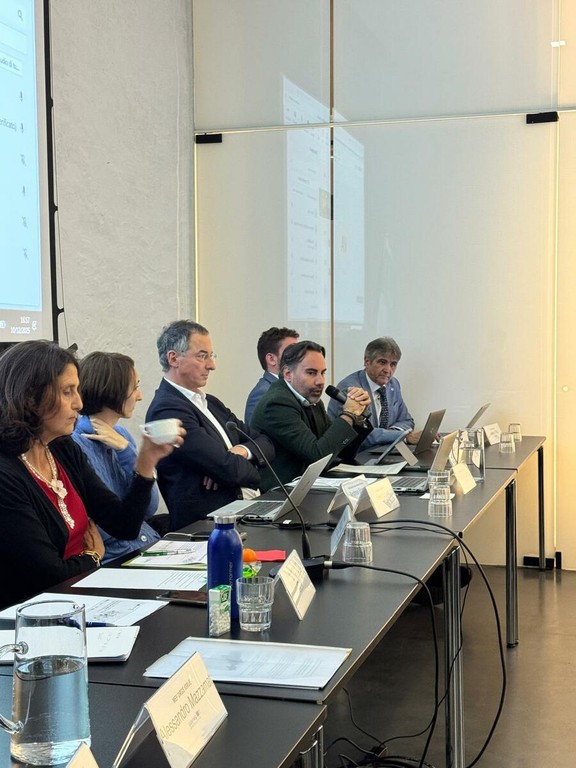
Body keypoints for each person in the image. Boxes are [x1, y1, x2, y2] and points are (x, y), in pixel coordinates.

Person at [0, 341, 183, 610]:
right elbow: (48, 574)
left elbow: (124, 525)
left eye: (78, 390)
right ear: (30, 398)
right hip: (34, 612)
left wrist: (145, 462)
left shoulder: (63, 449)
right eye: (67, 392)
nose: (79, 403)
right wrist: (93, 556)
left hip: (80, 596)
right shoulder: (6, 474)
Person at [146, 320, 275, 529]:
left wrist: (240, 452)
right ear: (173, 358)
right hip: (208, 528)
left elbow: (266, 442)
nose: (211, 365)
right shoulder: (168, 409)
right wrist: (239, 468)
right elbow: (230, 470)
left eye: (211, 356)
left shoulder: (211, 403)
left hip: (245, 514)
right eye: (202, 356)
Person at [72, 351, 163, 563]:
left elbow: (150, 507)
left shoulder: (121, 435)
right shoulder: (76, 445)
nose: (140, 396)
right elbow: (105, 529)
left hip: (147, 543)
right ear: (113, 392)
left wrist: (126, 450)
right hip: (119, 556)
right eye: (135, 388)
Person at [250, 340, 373, 490]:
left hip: (308, 487)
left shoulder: (311, 400)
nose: (320, 381)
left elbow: (341, 452)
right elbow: (317, 456)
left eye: (323, 373)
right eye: (311, 373)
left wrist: (358, 416)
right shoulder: (277, 403)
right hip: (281, 494)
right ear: (288, 374)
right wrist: (348, 414)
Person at [327, 336, 421, 448]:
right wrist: (403, 436)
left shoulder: (393, 384)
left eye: (393, 364)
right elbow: (362, 435)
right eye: (382, 362)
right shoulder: (351, 389)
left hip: (381, 451)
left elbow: (407, 420)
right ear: (367, 362)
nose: (388, 370)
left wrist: (391, 433)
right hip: (355, 454)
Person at [244, 326, 299, 423]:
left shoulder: (294, 388)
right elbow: (254, 431)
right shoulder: (262, 393)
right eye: (292, 352)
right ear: (271, 359)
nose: (300, 357)